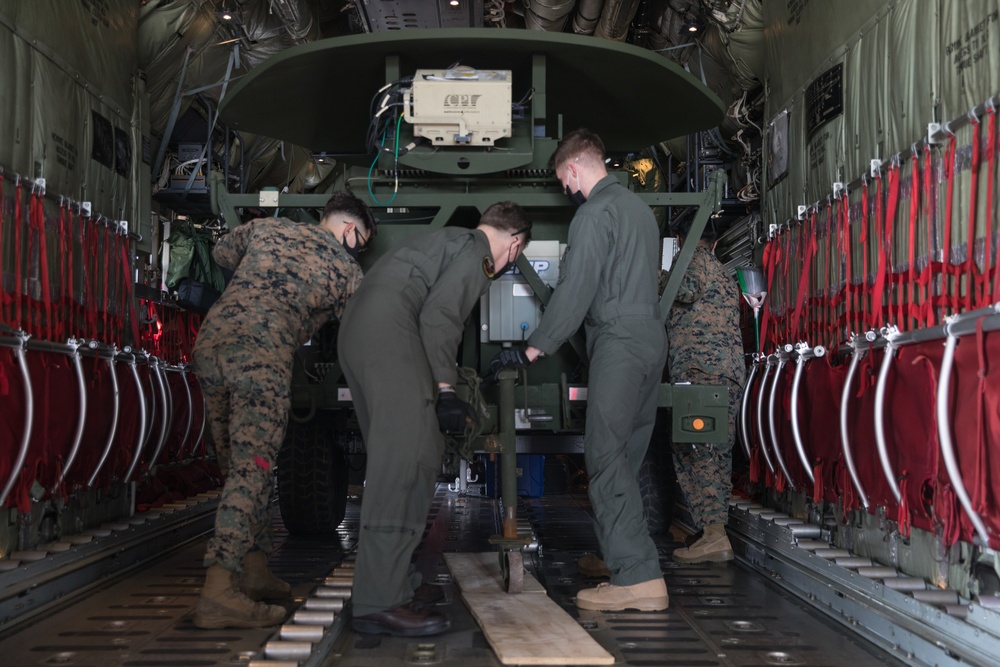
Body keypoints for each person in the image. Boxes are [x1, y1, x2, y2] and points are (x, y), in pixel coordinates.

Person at [491, 128, 668, 612]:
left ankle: (638, 578)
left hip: (618, 343)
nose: (564, 190)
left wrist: (532, 350)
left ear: (572, 170)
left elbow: (576, 290)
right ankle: (621, 555)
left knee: (605, 456)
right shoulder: (637, 210)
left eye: (561, 180)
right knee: (628, 454)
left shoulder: (594, 215)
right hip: (652, 340)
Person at [338, 201, 532, 637]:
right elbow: (440, 317)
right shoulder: (476, 251)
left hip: (361, 331)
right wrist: (445, 391)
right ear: (514, 245)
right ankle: (378, 602)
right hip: (389, 332)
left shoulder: (448, 241)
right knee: (409, 460)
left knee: (395, 456)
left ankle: (396, 583)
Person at [191, 193, 376, 629]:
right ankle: (218, 591)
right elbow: (362, 328)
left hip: (210, 347)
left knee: (234, 466)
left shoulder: (268, 229)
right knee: (251, 471)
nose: (358, 250)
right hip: (260, 360)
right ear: (349, 230)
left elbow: (221, 252)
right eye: (361, 241)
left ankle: (253, 570)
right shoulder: (346, 270)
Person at [663, 208, 745, 563]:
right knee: (708, 450)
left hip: (702, 373)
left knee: (700, 452)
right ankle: (710, 530)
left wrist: (654, 277)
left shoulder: (692, 260)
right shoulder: (722, 271)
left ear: (681, 239)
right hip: (718, 373)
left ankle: (714, 535)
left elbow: (686, 288)